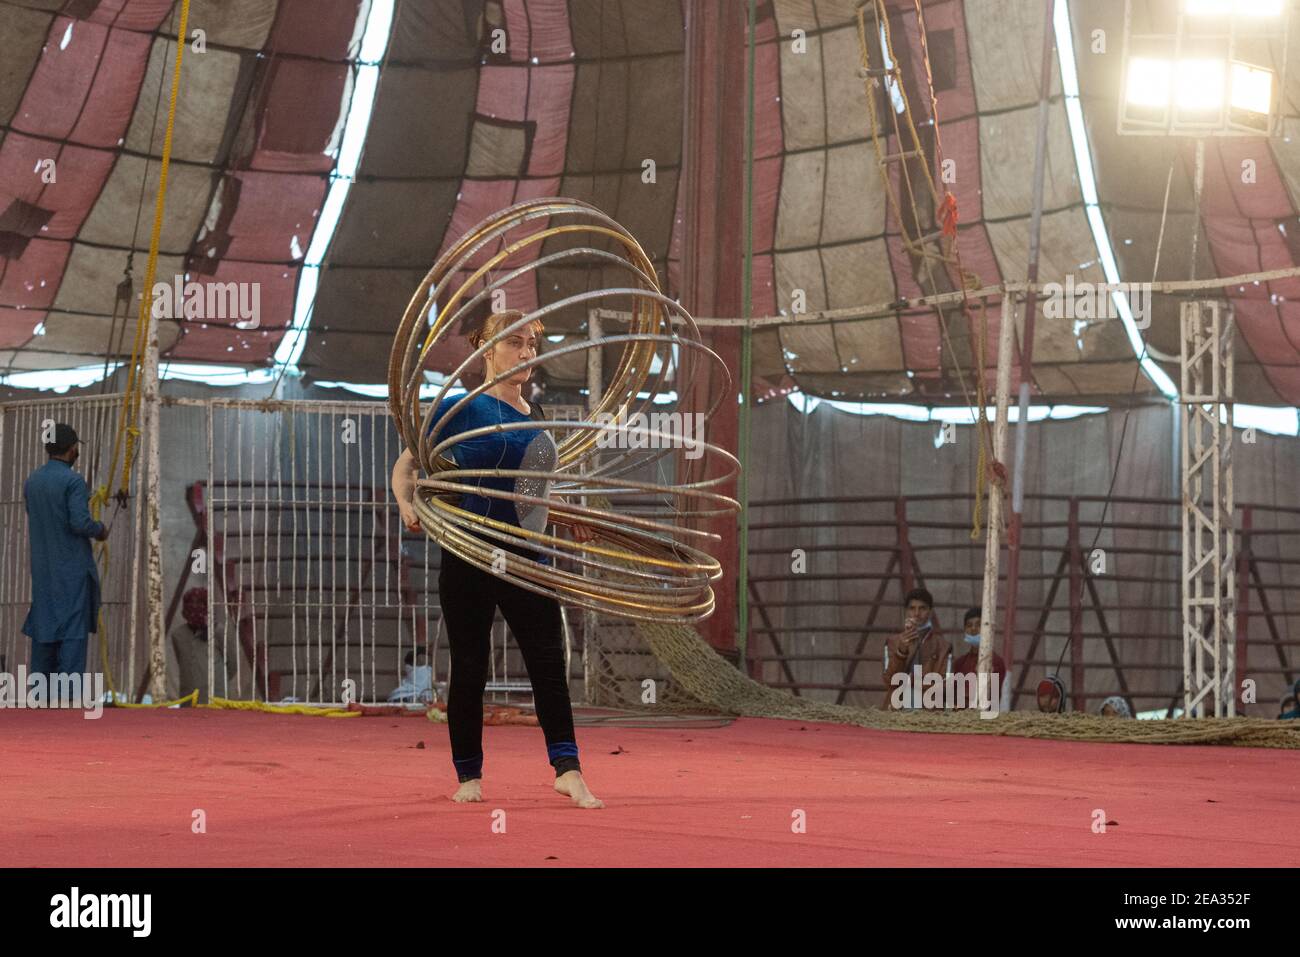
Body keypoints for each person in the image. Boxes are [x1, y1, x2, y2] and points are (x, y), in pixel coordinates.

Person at [391, 309, 602, 809]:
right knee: (470, 664)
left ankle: (568, 768)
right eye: (516, 343)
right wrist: (405, 502)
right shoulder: (460, 409)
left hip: (524, 554)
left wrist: (563, 516)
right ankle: (469, 775)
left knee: (548, 661)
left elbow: (529, 502)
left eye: (531, 344)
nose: (528, 353)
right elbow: (407, 466)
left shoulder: (537, 417)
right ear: (488, 350)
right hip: (469, 550)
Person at [23, 423, 107, 704]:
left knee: (44, 625)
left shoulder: (32, 481)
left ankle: (39, 695)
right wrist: (99, 529)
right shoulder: (73, 481)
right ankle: (68, 698)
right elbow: (79, 522)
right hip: (70, 568)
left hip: (43, 569)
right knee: (73, 629)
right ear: (73, 449)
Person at [880, 587, 950, 710]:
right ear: (906, 611)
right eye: (912, 608)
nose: (917, 613)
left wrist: (910, 681)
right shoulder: (892, 642)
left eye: (922, 608)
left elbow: (944, 684)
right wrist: (901, 651)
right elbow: (889, 681)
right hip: (897, 710)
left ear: (930, 611)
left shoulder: (943, 646)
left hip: (929, 713)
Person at [950, 606, 1011, 712]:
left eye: (979, 625)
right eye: (969, 625)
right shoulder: (959, 663)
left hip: (984, 719)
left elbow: (992, 698)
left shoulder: (996, 662)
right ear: (965, 630)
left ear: (988, 629)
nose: (973, 629)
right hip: (958, 720)